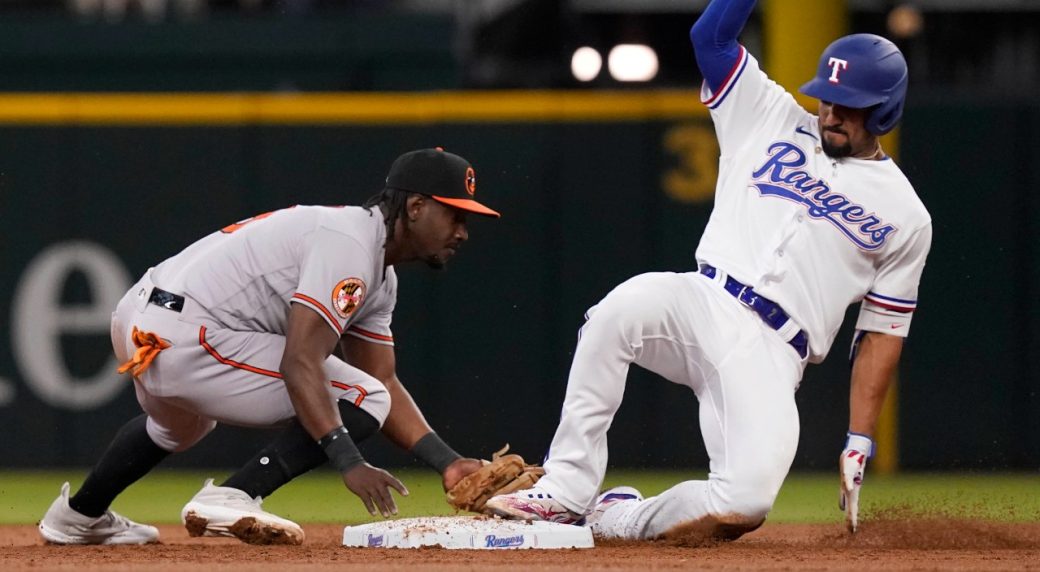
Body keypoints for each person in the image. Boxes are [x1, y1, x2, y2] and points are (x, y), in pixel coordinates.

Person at [486, 0, 931, 541]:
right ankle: (565, 488)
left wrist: (860, 436)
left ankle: (618, 517)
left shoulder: (906, 215)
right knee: (616, 313)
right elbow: (711, 39)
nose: (832, 112)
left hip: (773, 351)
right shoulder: (768, 111)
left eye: (850, 105)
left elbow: (882, 333)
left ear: (885, 111)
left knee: (744, 502)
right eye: (827, 98)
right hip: (702, 299)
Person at [39, 148, 498, 545]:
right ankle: (236, 494)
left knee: (181, 428)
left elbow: (382, 375)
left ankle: (79, 515)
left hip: (141, 318)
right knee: (361, 397)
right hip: (185, 334)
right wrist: (349, 461)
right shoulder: (351, 248)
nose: (462, 231)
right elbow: (301, 362)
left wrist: (449, 463)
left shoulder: (374, 266)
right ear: (416, 206)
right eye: (455, 215)